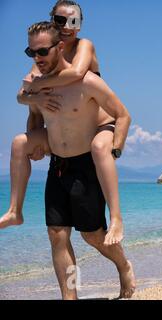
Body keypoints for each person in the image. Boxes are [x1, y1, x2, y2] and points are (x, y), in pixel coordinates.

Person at [21, 21, 135, 299]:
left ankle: (123, 265)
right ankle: (70, 297)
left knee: (92, 236)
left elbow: (122, 114)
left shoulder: (87, 82)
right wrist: (34, 144)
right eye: (31, 52)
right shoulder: (37, 88)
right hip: (57, 166)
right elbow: (34, 123)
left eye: (43, 52)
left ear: (60, 47)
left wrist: (114, 150)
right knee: (57, 235)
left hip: (86, 166)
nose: (37, 58)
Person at [0, 0, 125, 246]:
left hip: (98, 124)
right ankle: (15, 210)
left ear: (80, 25)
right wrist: (35, 97)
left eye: (74, 21)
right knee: (19, 143)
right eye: (60, 21)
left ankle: (117, 217)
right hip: (66, 128)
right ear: (52, 23)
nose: (67, 26)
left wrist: (36, 86)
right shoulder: (43, 56)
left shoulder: (83, 46)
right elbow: (22, 97)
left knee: (100, 149)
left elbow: (76, 73)